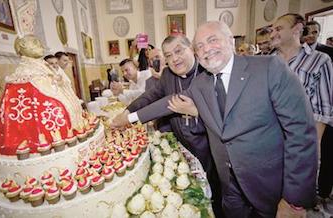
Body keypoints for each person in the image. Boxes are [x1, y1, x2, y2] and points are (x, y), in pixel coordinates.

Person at [113, 21, 318, 217]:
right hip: (228, 189)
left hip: (268, 186)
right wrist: (128, 118)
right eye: (200, 45)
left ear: (231, 40)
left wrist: (294, 200)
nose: (206, 49)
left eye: (212, 40)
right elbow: (167, 102)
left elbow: (301, 133)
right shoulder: (202, 83)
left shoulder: (269, 68)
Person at [112, 34, 224, 218]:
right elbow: (152, 95)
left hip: (206, 147)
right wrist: (128, 110)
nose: (174, 59)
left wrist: (131, 118)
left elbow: (170, 102)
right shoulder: (167, 75)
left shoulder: (205, 73)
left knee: (211, 194)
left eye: (178, 51)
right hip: (179, 144)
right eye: (168, 55)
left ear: (192, 50)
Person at [0, 35, 84, 155]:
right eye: (34, 42)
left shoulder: (44, 68)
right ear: (23, 47)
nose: (40, 44)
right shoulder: (23, 76)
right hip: (48, 142)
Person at [270, 13, 333, 147]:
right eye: (272, 30)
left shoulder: (319, 60)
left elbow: (322, 110)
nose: (272, 35)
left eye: (278, 29)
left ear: (297, 29)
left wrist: (314, 147)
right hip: (269, 140)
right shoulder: (267, 62)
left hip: (301, 140)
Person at [301, 19, 333, 211]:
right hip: (307, 115)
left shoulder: (326, 54)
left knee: (324, 155)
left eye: (315, 31)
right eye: (309, 30)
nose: (312, 34)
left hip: (325, 113)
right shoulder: (298, 54)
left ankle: (321, 192)